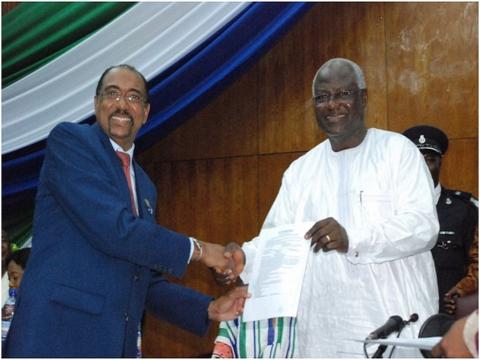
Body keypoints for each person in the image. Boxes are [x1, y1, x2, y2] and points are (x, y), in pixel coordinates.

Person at [5, 64, 247, 358]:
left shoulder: (145, 186)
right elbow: (115, 230)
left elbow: (142, 278)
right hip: (56, 338)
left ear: (145, 113)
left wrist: (208, 308)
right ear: (96, 105)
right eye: (112, 94)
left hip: (112, 344)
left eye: (133, 97)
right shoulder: (70, 142)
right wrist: (200, 250)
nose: (121, 104)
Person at [221, 58, 440, 357]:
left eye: (343, 94)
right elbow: (279, 243)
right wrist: (243, 258)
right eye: (322, 98)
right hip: (324, 336)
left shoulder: (398, 152)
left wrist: (353, 238)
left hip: (394, 330)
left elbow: (422, 228)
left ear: (363, 98)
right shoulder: (300, 171)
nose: (332, 105)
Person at [403, 125, 478, 315]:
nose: (423, 168)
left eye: (430, 160)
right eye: (416, 162)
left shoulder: (465, 210)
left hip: (450, 319)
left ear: (440, 163)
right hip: (402, 315)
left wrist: (462, 292)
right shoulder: (391, 212)